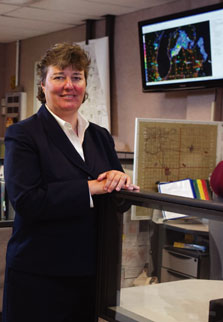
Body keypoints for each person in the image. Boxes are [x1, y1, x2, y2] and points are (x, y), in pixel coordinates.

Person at [2, 42, 139, 322]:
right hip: (40, 277)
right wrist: (91, 187)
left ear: (85, 85)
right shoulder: (23, 134)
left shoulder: (100, 136)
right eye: (59, 77)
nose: (69, 85)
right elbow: (27, 201)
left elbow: (113, 203)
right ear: (42, 85)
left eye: (77, 77)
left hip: (91, 274)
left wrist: (121, 181)